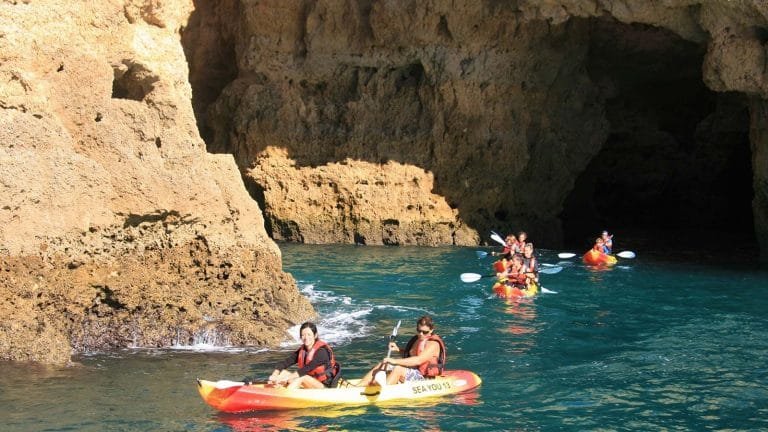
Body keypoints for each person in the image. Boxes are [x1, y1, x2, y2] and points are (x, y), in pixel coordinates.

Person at [359, 315, 446, 386]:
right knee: (384, 364)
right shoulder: (417, 339)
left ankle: (384, 391)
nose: (421, 334)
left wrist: (394, 361)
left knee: (398, 368)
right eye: (419, 330)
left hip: (424, 377)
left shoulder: (433, 344)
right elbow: (410, 356)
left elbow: (418, 360)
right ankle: (359, 386)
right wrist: (398, 349)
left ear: (431, 330)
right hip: (412, 371)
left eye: (424, 332)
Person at [268, 322, 341, 389]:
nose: (306, 338)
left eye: (309, 334)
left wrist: (287, 378)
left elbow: (307, 369)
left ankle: (285, 395)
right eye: (303, 335)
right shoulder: (303, 350)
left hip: (325, 387)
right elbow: (286, 362)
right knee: (283, 373)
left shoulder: (322, 352)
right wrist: (275, 374)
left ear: (315, 335)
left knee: (302, 377)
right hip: (310, 383)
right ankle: (274, 390)